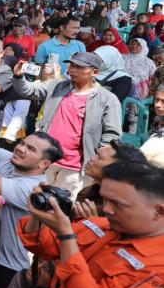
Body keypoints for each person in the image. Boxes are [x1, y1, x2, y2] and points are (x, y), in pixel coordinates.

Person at [18, 162, 164, 288]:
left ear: (159, 211)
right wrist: (38, 214)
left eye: (118, 204)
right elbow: (44, 245)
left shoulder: (158, 269)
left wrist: (66, 236)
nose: (107, 209)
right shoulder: (102, 225)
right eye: (105, 199)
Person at [0, 115, 63, 288]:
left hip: (4, 266)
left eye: (30, 149)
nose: (20, 149)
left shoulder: (34, 188)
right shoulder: (9, 157)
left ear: (44, 164)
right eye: (23, 143)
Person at [12, 52, 122, 197]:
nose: (72, 70)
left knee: (63, 210)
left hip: (75, 169)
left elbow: (111, 136)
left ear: (95, 72)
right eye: (71, 65)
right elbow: (29, 90)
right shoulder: (58, 85)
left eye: (79, 67)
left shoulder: (107, 99)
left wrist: (98, 163)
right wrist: (19, 76)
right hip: (46, 161)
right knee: (36, 203)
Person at [74, 139, 147, 217]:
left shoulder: (128, 207)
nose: (92, 158)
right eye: (96, 154)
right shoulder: (89, 191)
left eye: (100, 157)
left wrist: (94, 223)